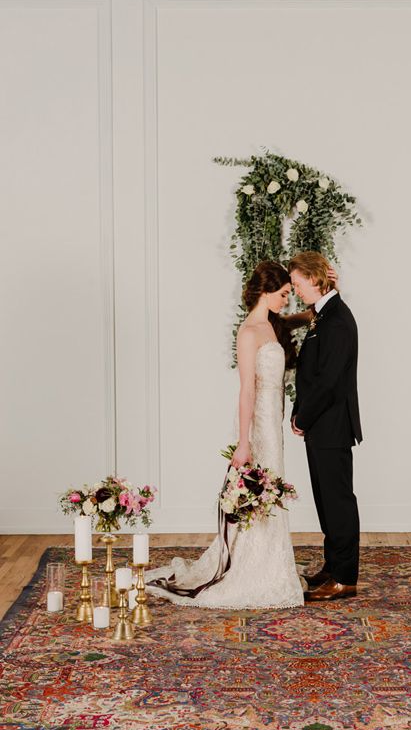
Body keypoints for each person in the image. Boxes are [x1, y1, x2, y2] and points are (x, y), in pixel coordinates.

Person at [145, 261, 306, 609]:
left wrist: (314, 312)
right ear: (265, 292)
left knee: (269, 492)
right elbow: (246, 390)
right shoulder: (249, 332)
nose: (286, 301)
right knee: (258, 492)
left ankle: (270, 561)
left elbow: (292, 323)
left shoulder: (272, 325)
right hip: (257, 426)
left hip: (273, 423)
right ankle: (252, 566)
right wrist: (245, 442)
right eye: (282, 294)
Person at [289, 251, 362, 602]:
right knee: (325, 499)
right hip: (320, 424)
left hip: (331, 424)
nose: (296, 290)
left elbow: (329, 382)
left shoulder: (337, 320)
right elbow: (311, 373)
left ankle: (345, 578)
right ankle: (333, 566)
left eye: (298, 284)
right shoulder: (322, 316)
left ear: (316, 280)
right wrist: (299, 411)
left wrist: (303, 417)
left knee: (338, 501)